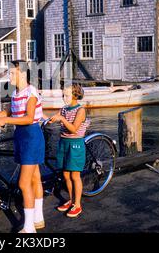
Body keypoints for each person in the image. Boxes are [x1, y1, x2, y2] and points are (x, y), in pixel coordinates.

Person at [0, 60, 45, 233]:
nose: (9, 76)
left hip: (31, 135)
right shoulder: (15, 93)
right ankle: (38, 218)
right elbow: (6, 113)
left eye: (12, 73)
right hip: (22, 136)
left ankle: (29, 229)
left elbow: (29, 118)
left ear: (22, 73)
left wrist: (5, 121)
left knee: (23, 183)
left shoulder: (31, 92)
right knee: (35, 178)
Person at [50, 83, 90, 218]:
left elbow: (74, 129)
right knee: (66, 175)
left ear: (75, 95)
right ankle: (71, 200)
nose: (64, 97)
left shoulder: (81, 110)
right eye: (63, 95)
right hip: (64, 143)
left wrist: (61, 118)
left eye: (66, 95)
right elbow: (52, 119)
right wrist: (41, 117)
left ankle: (77, 205)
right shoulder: (64, 109)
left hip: (75, 144)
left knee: (74, 175)